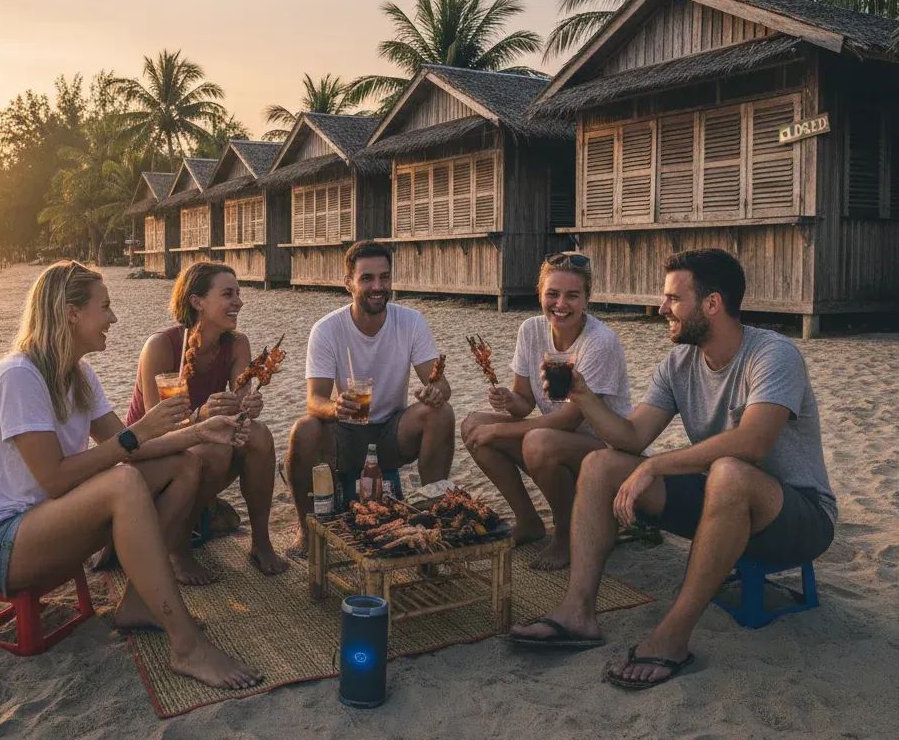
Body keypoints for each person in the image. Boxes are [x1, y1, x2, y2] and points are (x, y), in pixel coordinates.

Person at [510, 249, 836, 690]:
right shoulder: (679, 362)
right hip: (720, 502)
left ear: (712, 304)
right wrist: (584, 398)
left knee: (729, 470)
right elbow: (630, 437)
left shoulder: (773, 355)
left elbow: (752, 443)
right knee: (602, 463)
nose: (662, 308)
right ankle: (577, 612)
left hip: (798, 517)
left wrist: (657, 467)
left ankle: (673, 637)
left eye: (672, 299)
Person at [0, 260, 261, 689]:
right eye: (106, 306)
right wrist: (137, 434)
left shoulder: (78, 375)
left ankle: (139, 602)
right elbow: (59, 479)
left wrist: (199, 431)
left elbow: (131, 445)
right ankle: (187, 648)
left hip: (49, 523)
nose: (114, 318)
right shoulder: (19, 377)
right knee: (123, 482)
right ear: (71, 313)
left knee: (183, 464)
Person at [461, 253, 631, 569]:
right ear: (540, 293)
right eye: (552, 294)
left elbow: (569, 419)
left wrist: (498, 429)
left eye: (572, 296)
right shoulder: (531, 330)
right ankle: (528, 521)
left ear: (587, 299)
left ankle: (567, 535)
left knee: (536, 441)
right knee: (472, 425)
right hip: (554, 439)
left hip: (605, 451)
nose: (560, 304)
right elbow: (524, 401)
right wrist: (509, 401)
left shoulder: (600, 342)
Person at [285, 240, 455, 553]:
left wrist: (434, 392)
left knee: (441, 413)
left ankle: (433, 514)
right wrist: (336, 408)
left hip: (391, 432)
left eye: (384, 277)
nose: (378, 286)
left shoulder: (410, 322)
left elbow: (441, 383)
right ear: (348, 283)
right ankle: (307, 530)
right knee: (304, 429)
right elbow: (314, 400)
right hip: (345, 433)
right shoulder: (327, 329)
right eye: (367, 279)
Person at [126, 261, 287, 578]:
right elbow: (153, 430)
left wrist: (248, 407)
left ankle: (261, 542)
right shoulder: (161, 346)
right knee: (215, 449)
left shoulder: (236, 343)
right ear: (197, 301)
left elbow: (240, 405)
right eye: (228, 294)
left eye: (238, 293)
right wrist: (200, 416)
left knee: (259, 435)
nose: (238, 301)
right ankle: (178, 548)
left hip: (201, 441)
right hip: (151, 457)